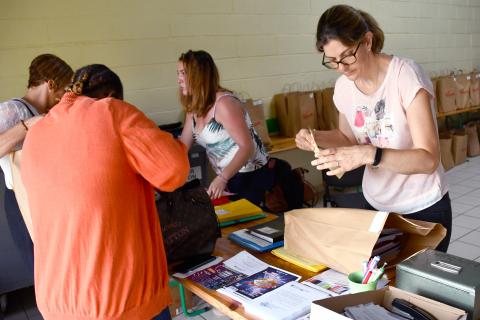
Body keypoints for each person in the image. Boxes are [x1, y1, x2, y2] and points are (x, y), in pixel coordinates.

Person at [21, 64, 190, 320]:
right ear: (111, 95)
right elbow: (174, 171)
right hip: (120, 301)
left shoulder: (37, 132)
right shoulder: (112, 112)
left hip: (56, 301)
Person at [295, 4, 451, 252]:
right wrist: (315, 136)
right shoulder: (344, 87)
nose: (342, 67)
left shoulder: (405, 76)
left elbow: (428, 159)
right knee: (382, 285)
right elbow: (347, 137)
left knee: (418, 289)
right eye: (333, 61)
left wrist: (370, 154)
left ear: (367, 41)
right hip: (377, 204)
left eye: (347, 55)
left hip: (422, 207)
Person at [0, 53, 73, 272]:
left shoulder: (45, 112)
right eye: (65, 88)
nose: (65, 95)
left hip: (44, 200)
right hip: (22, 202)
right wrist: (27, 125)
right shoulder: (12, 110)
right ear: (51, 84)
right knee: (43, 268)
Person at [177, 50, 273, 206]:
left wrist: (222, 178)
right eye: (178, 73)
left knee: (249, 227)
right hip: (229, 177)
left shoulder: (224, 103)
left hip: (249, 175)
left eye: (183, 73)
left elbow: (246, 146)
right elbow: (182, 146)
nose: (179, 79)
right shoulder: (193, 108)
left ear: (199, 75)